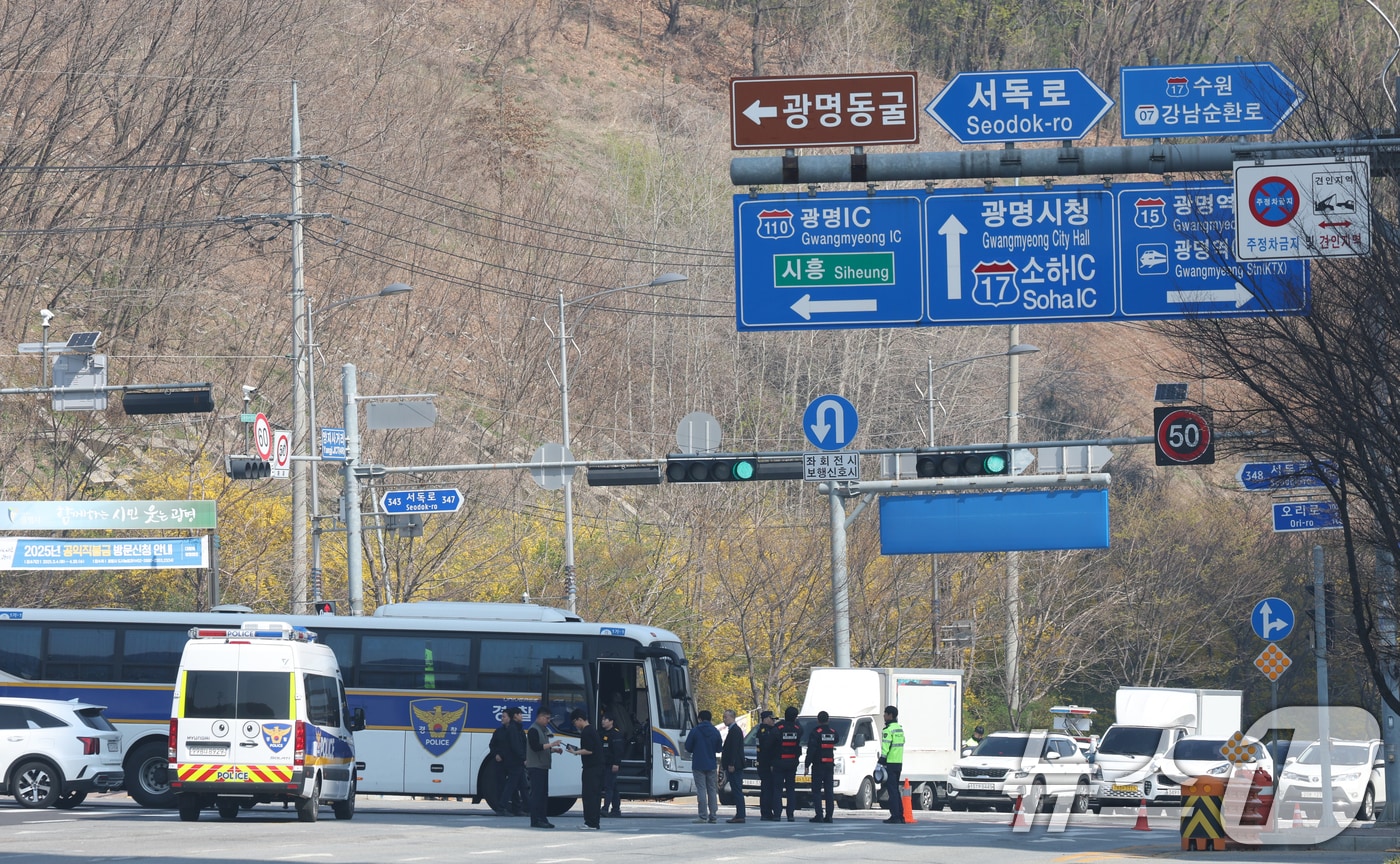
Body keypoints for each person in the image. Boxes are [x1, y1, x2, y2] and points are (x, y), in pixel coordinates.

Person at [526, 705, 563, 828]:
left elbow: (543, 748)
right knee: (537, 794)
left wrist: (553, 750)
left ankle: (542, 817)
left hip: (543, 766)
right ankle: (536, 819)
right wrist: (552, 744)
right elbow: (536, 747)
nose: (548, 721)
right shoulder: (533, 730)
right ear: (540, 717)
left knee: (543, 794)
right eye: (547, 718)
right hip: (536, 766)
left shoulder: (543, 730)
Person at [684, 709, 722, 823]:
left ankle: (702, 816)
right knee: (712, 790)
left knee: (701, 789)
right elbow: (719, 748)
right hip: (711, 764)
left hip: (698, 763)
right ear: (710, 719)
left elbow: (688, 747)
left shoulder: (695, 731)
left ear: (700, 719)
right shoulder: (715, 731)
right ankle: (713, 815)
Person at [490, 706, 528, 816]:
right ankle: (501, 807)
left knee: (521, 786)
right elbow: (515, 746)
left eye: (504, 716)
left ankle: (520, 808)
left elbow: (522, 745)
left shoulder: (518, 729)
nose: (502, 718)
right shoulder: (510, 730)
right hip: (513, 762)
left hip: (515, 761)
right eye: (520, 714)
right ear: (515, 716)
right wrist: (523, 758)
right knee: (511, 786)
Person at [570, 709, 603, 830]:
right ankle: (594, 822)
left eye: (575, 722)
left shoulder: (586, 732)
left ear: (580, 719)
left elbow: (589, 750)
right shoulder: (592, 730)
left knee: (589, 796)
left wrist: (575, 752)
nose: (575, 725)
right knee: (595, 795)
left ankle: (590, 822)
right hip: (597, 768)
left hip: (591, 769)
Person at [806, 710, 837, 823]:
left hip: (818, 765)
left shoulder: (816, 732)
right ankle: (829, 816)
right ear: (828, 720)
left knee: (817, 791)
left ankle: (819, 815)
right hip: (829, 765)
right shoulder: (833, 732)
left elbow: (811, 750)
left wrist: (807, 764)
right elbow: (837, 739)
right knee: (829, 791)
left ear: (818, 720)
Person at [775, 706, 803, 822]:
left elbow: (772, 743)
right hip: (792, 762)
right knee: (790, 789)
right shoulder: (798, 728)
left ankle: (777, 814)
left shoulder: (779, 727)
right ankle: (790, 815)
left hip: (779, 762)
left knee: (777, 789)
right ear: (795, 717)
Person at [880, 704, 906, 824]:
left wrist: (881, 760)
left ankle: (895, 816)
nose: (884, 716)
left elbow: (886, 747)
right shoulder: (899, 729)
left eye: (885, 714)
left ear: (890, 715)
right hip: (898, 762)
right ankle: (900, 815)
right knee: (895, 790)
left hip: (890, 763)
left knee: (892, 791)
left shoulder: (888, 730)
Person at [720, 709, 747, 823]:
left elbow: (734, 749)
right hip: (733, 765)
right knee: (736, 789)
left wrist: (732, 764)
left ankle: (740, 814)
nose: (724, 719)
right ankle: (740, 814)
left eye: (726, 717)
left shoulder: (735, 730)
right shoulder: (733, 730)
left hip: (735, 766)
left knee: (736, 790)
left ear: (732, 717)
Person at [755, 710, 780, 821]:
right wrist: (771, 763)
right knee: (767, 788)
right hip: (766, 764)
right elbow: (767, 749)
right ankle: (766, 812)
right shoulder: (765, 731)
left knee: (767, 788)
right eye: (771, 719)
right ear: (765, 719)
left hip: (764, 763)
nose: (773, 721)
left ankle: (767, 811)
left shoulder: (766, 730)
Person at [598, 713, 622, 817]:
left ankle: (605, 808)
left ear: (611, 721)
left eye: (605, 719)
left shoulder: (616, 734)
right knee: (613, 787)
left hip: (611, 764)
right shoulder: (602, 733)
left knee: (608, 786)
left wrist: (616, 763)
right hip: (604, 764)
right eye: (602, 719)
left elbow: (618, 751)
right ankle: (616, 809)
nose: (603, 721)